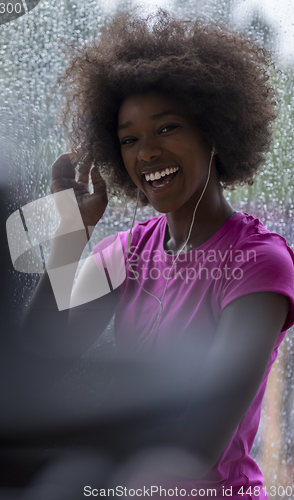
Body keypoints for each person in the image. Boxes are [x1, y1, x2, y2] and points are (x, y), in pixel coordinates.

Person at [24, 9, 294, 499]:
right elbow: (32, 362)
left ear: (213, 133)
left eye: (166, 128)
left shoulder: (258, 263)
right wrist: (71, 233)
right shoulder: (126, 254)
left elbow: (197, 447)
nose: (145, 152)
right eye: (129, 139)